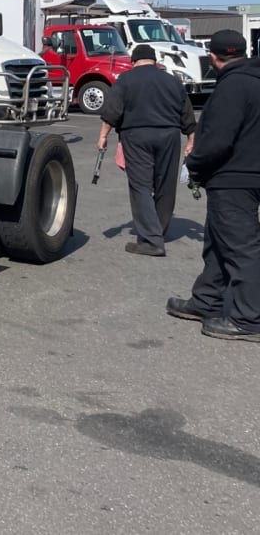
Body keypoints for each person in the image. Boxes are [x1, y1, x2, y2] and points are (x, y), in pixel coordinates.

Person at [167, 29, 260, 341]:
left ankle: (248, 319)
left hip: (234, 177)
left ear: (213, 57)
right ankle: (207, 300)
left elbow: (218, 139)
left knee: (241, 246)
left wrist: (193, 165)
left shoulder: (232, 86)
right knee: (218, 240)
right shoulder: (254, 79)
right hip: (247, 173)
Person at [97, 43, 196, 256]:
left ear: (134, 62)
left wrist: (103, 136)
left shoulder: (126, 79)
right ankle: (158, 230)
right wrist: (191, 140)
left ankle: (151, 241)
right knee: (165, 185)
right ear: (154, 61)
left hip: (137, 136)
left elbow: (112, 111)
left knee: (141, 185)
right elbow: (187, 113)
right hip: (169, 136)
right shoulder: (172, 80)